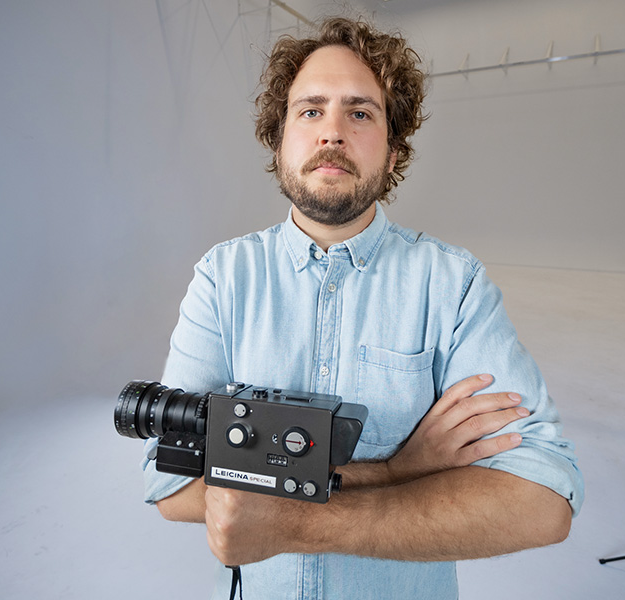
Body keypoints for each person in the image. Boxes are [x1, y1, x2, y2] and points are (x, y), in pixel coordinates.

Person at [142, 16, 584, 600]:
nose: (332, 132)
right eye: (310, 111)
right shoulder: (224, 278)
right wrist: (398, 470)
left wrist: (295, 521)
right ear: (279, 140)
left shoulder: (452, 285)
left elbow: (541, 499)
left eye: (360, 113)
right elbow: (171, 484)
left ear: (393, 151)